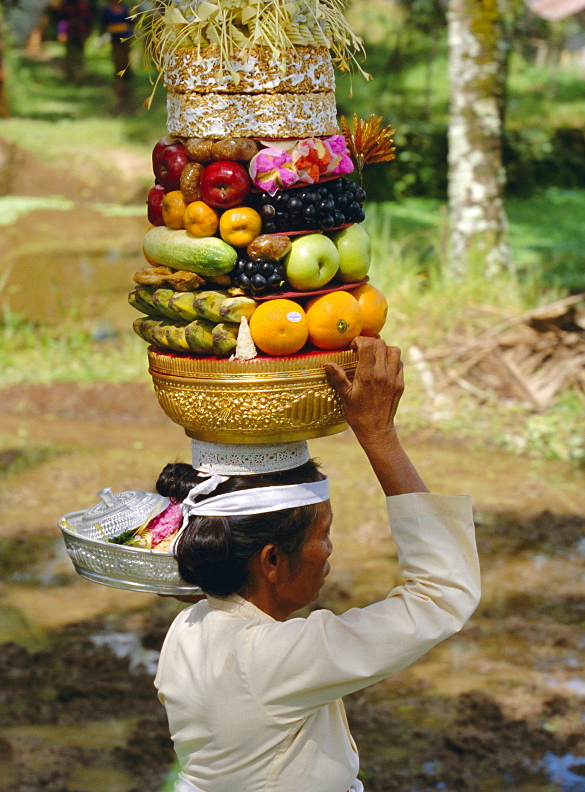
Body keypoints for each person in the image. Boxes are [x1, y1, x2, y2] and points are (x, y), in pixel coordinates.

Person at [154, 338, 481, 792]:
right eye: (321, 535)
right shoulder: (269, 659)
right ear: (271, 560)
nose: (329, 551)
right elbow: (442, 597)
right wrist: (379, 435)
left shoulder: (192, 625)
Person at [101, 0, 134, 107]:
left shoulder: (125, 9)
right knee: (117, 58)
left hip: (125, 37)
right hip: (115, 38)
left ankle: (126, 79)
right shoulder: (107, 10)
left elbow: (131, 22)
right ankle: (120, 81)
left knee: (125, 58)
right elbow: (104, 23)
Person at [57, 0, 92, 82]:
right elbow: (62, 19)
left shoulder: (83, 5)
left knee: (79, 54)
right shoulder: (66, 5)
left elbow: (87, 19)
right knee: (71, 55)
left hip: (80, 32)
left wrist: (87, 32)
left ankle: (79, 76)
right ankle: (72, 76)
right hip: (71, 32)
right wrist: (62, 32)